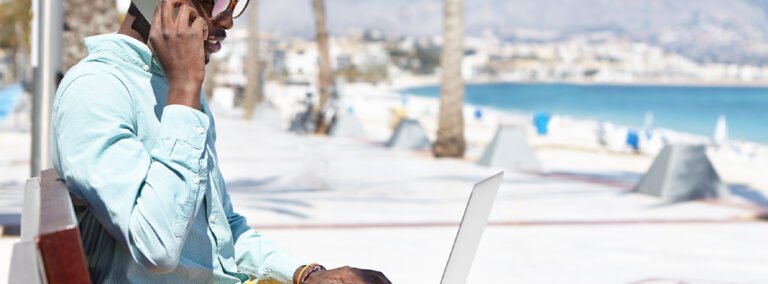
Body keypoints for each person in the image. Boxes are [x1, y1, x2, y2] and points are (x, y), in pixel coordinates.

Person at [50, 0, 391, 283]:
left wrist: (304, 273)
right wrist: (184, 86)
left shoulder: (170, 87)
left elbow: (222, 229)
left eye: (235, 4)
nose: (227, 20)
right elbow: (155, 246)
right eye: (215, 2)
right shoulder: (97, 90)